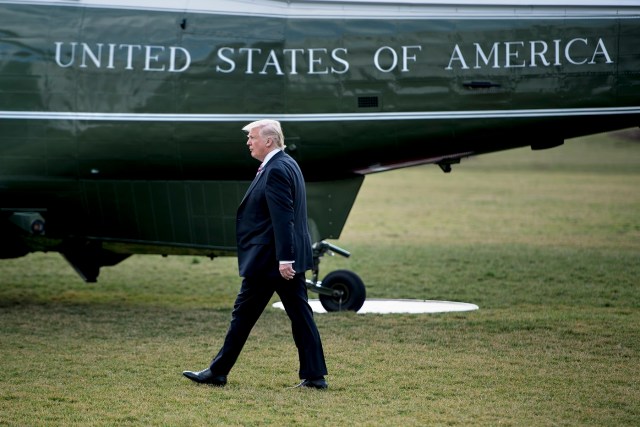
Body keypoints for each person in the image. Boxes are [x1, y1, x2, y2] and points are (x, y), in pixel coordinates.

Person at [182, 119, 328, 389]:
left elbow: (283, 218)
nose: (248, 142)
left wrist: (285, 259)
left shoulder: (276, 169)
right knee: (298, 315)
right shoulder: (286, 163)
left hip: (270, 261)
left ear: (269, 141)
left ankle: (217, 372)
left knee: (245, 316)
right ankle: (315, 376)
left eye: (252, 138)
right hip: (278, 259)